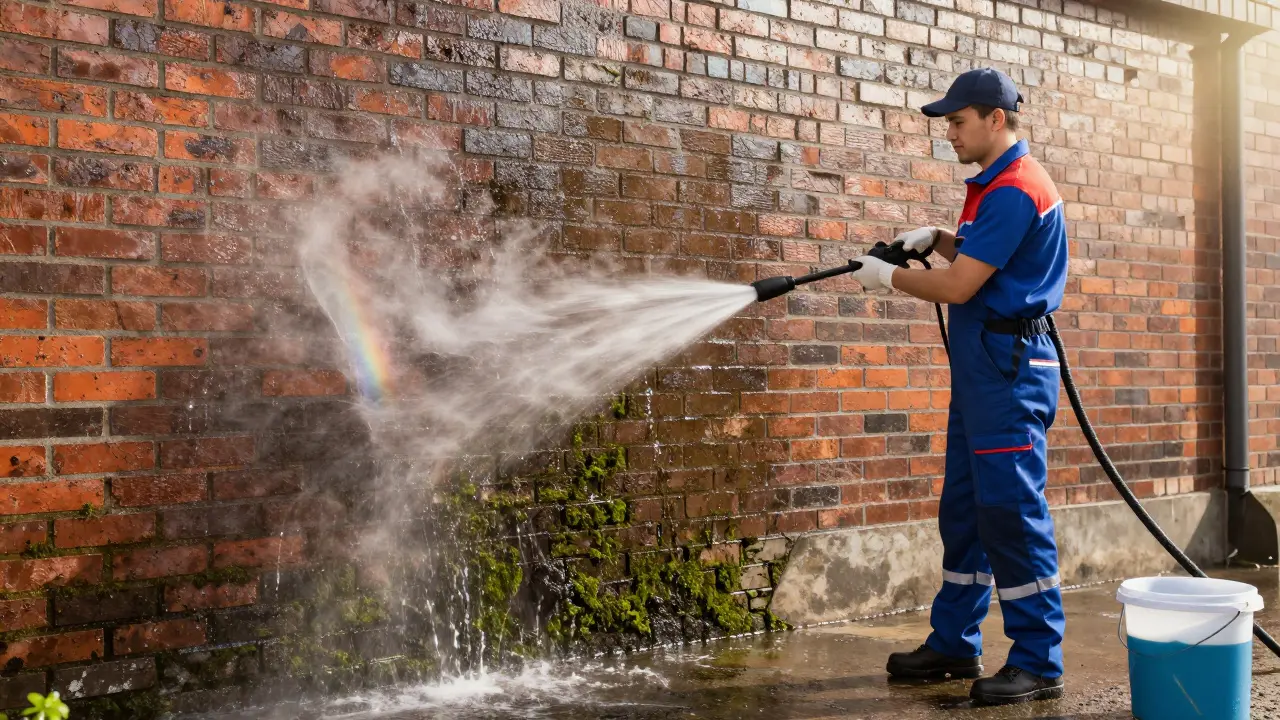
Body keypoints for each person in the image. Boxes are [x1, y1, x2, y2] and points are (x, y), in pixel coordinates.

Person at [850, 67, 1070, 706]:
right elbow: (981, 262)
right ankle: (955, 641)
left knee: (1011, 513)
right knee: (968, 509)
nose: (948, 133)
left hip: (1007, 368)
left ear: (994, 119)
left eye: (957, 121)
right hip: (985, 365)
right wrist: (942, 238)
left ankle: (1039, 659)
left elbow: (958, 288)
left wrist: (886, 280)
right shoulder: (994, 185)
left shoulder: (1014, 189)